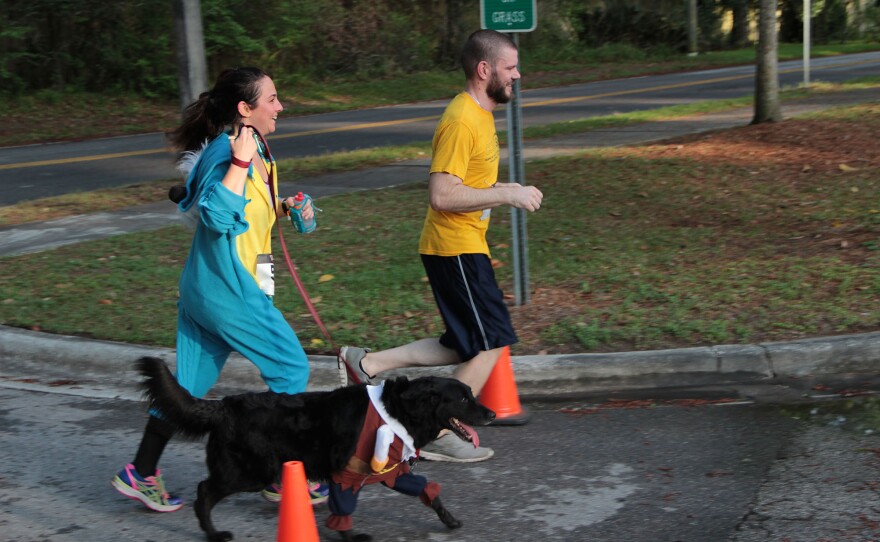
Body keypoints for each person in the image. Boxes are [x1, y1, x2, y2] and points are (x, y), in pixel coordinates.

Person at [111, 67, 327, 512]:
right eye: (271, 99)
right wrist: (242, 163)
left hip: (204, 289)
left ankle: (141, 472)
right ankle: (283, 476)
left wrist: (285, 207)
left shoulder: (253, 147)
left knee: (186, 388)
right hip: (230, 289)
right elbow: (212, 214)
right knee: (290, 369)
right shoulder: (230, 153)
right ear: (245, 109)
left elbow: (241, 208)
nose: (280, 106)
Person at [339, 30, 543, 463]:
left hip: (463, 246)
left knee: (465, 342)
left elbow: (469, 184)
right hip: (454, 248)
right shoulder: (461, 120)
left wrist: (503, 186)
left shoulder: (481, 114)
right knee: (491, 341)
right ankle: (434, 430)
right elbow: (442, 194)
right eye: (510, 68)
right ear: (484, 70)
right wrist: (509, 195)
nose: (517, 75)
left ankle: (367, 364)